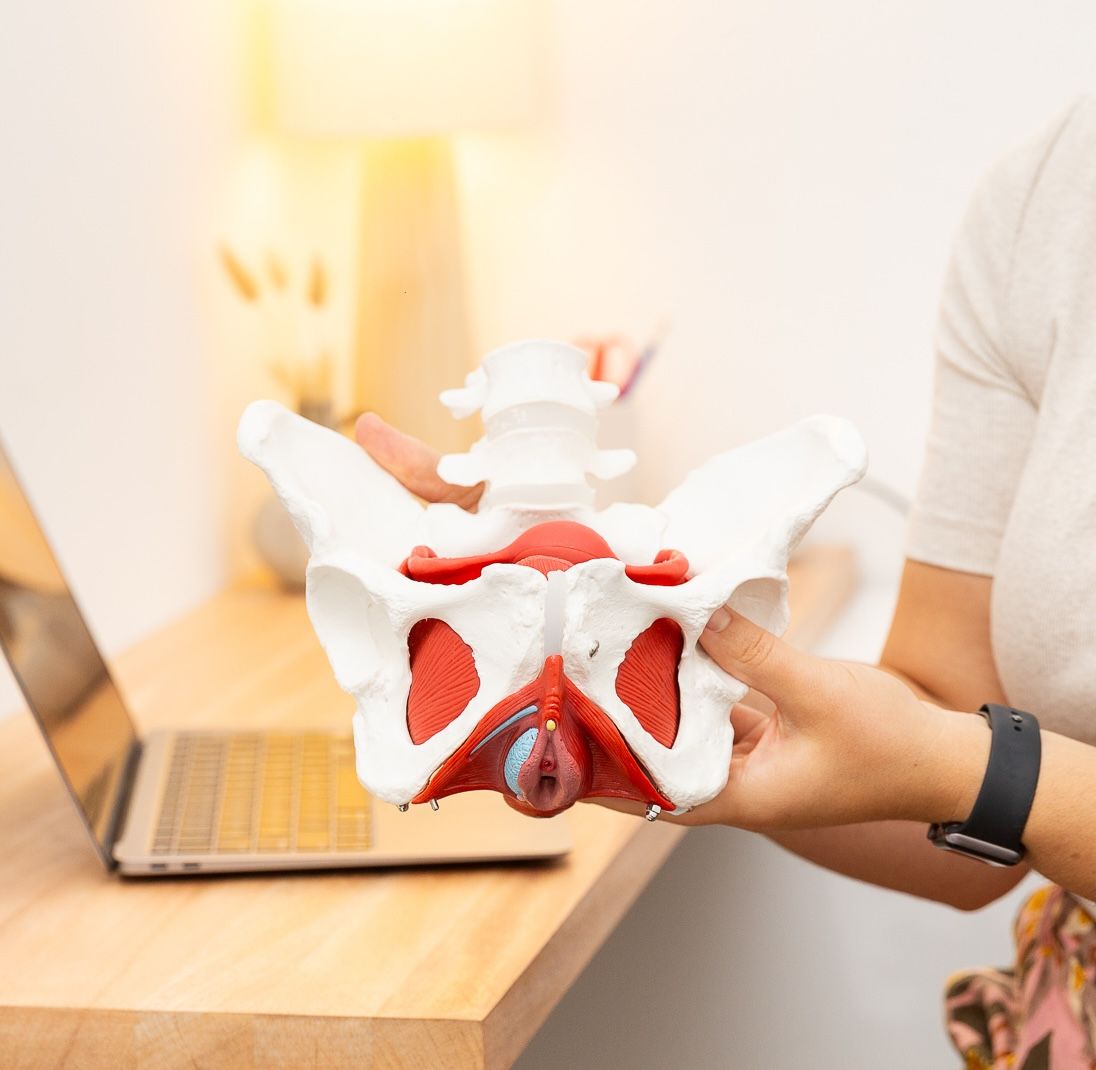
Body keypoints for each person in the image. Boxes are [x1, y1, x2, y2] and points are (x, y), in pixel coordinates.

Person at [354, 96, 1096, 1067]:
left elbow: (973, 768)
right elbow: (947, 764)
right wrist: (611, 666)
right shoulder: (1045, 200)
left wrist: (978, 773)